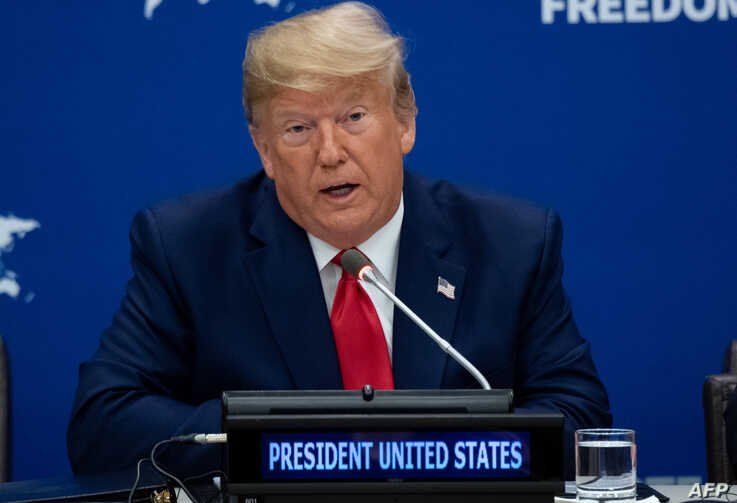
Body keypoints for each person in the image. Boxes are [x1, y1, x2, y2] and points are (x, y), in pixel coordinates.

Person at [67, 1, 611, 477]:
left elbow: (580, 420)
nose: (330, 152)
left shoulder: (509, 243)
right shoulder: (188, 247)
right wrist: (288, 438)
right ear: (263, 148)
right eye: (298, 128)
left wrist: (419, 450)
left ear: (405, 123)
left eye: (353, 116)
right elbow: (103, 426)